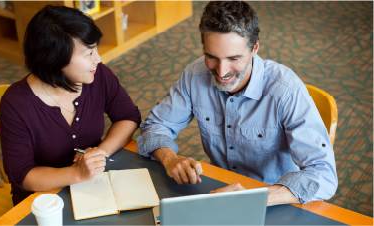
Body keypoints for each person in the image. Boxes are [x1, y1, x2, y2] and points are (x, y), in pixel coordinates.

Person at [137, 0, 337, 205]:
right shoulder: (195, 74)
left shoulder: (286, 90)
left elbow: (324, 174)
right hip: (221, 188)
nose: (222, 72)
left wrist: (254, 198)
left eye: (234, 58)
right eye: (212, 57)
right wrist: (170, 159)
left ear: (255, 48)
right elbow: (156, 126)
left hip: (278, 197)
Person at [0, 5, 141, 205]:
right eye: (88, 53)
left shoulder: (98, 75)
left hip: (93, 182)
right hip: (43, 199)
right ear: (55, 61)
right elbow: (22, 175)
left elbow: (128, 116)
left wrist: (101, 153)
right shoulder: (16, 104)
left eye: (95, 49)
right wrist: (76, 174)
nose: (98, 59)